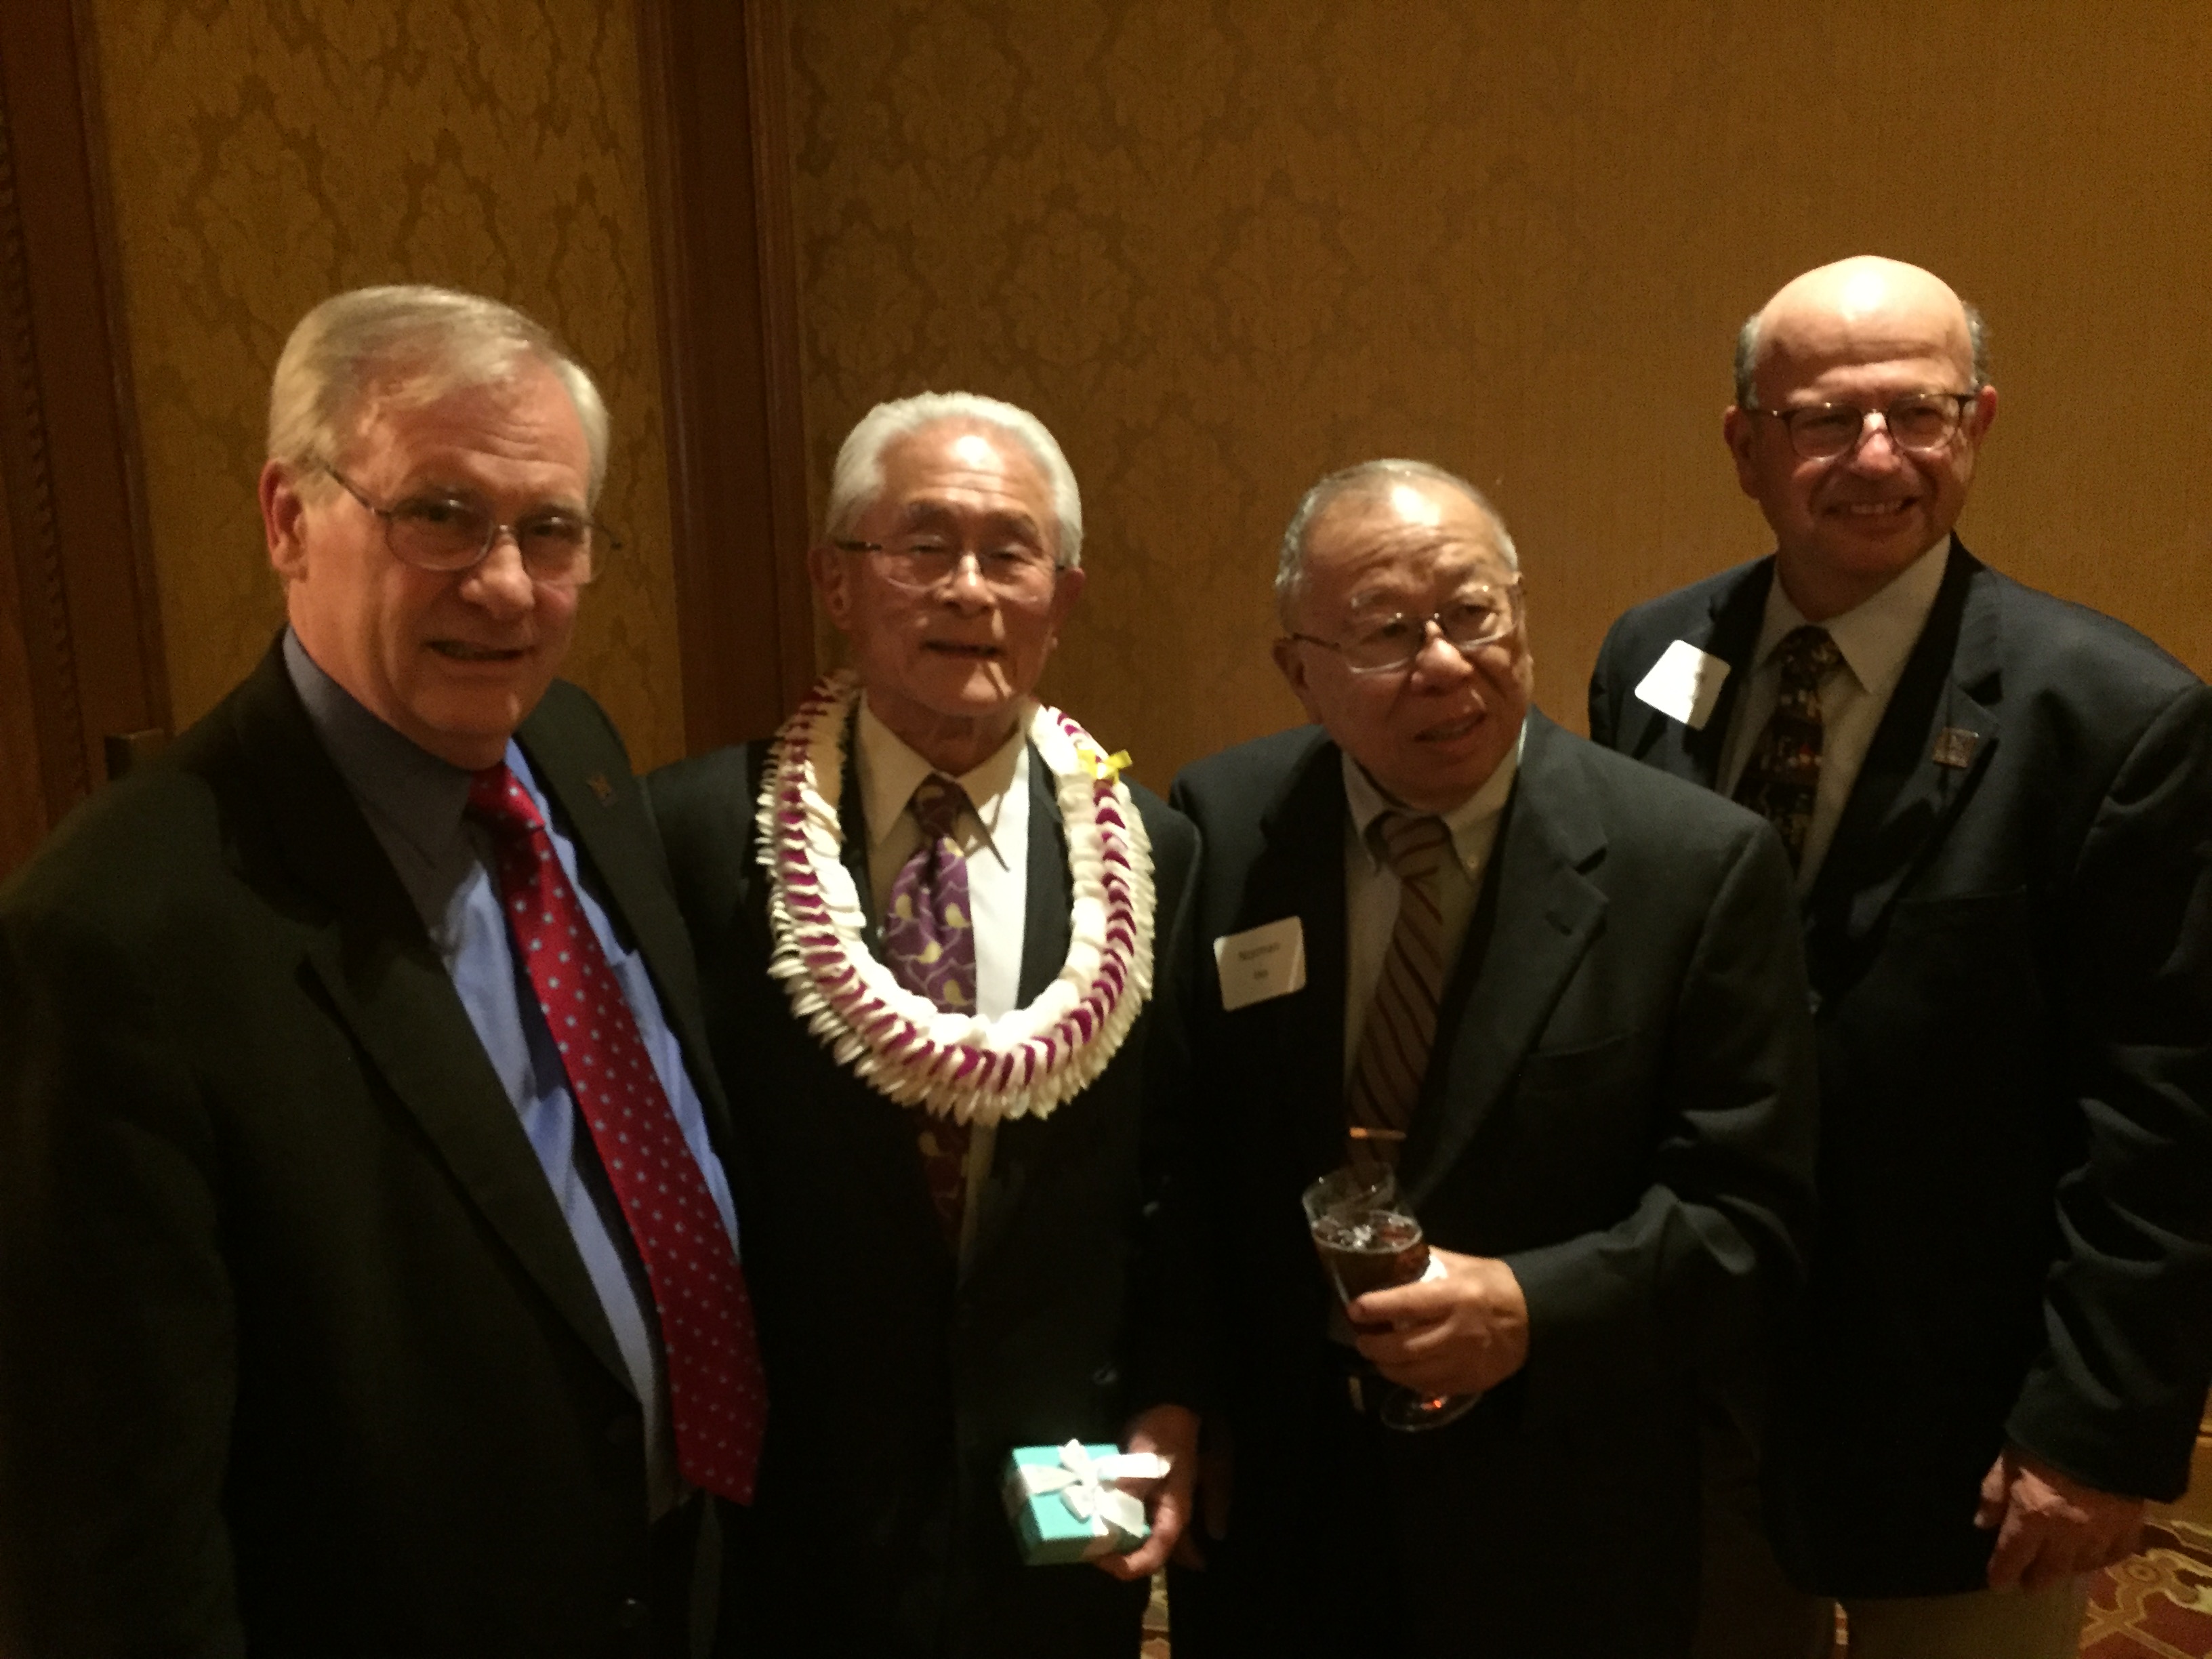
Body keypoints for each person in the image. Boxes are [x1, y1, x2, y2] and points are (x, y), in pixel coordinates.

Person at [0, 285, 762, 1658]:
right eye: (441, 514)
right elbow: (112, 1541)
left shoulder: (575, 749)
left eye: (551, 530)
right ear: (291, 518)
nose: (508, 585)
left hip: (686, 1587)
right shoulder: (117, 934)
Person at [1589, 255, 2212, 1657]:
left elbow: (2163, 1112)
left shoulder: (2117, 718)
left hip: (1969, 1408)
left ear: (1978, 425)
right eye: (1824, 419)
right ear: (1746, 445)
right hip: (1695, 1385)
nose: (1876, 457)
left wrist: (2094, 1429)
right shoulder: (1649, 657)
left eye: (1918, 414)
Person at [1165, 459, 1818, 1658]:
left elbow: (1751, 1218)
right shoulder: (1217, 826)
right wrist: (1184, 1392)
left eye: (1475, 613)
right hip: (1282, 1499)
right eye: (1384, 632)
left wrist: (1530, 1309)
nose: (1448, 664)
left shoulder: (1692, 866)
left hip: (1560, 1505)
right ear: (1298, 670)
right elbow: (1182, 1159)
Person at [649, 392, 1202, 1658]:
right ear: (836, 584)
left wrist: (1174, 1393)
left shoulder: (1154, 853)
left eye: (1009, 552)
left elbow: (1174, 1166)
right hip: (792, 1506)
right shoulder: (689, 839)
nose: (967, 589)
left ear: (1062, 600)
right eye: (921, 545)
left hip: (1054, 1498)